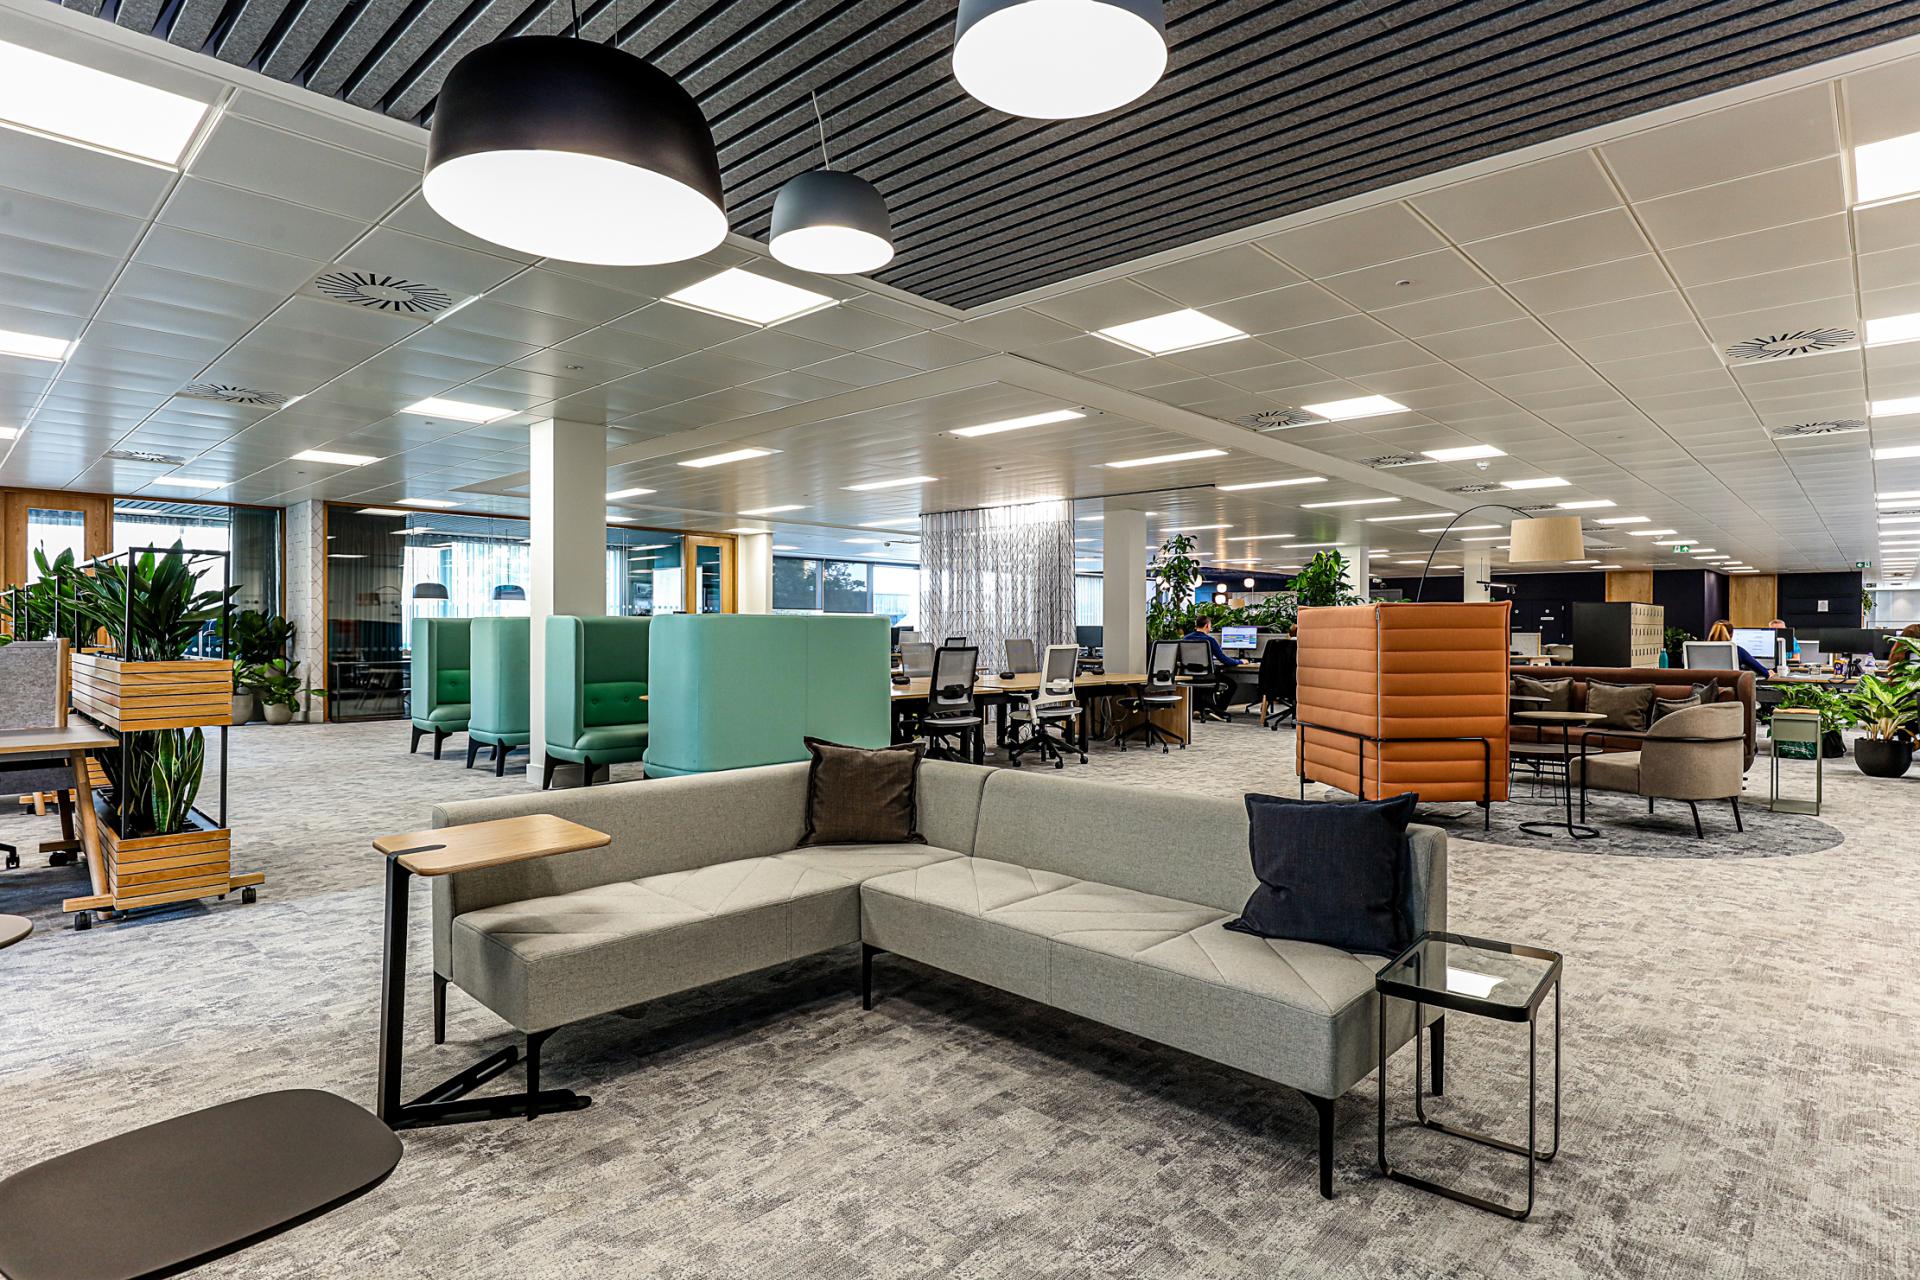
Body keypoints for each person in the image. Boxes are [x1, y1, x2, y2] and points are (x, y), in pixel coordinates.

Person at [1181, 615, 1242, 716]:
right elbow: (1224, 660)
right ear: (1207, 626)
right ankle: (1219, 709)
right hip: (1207, 676)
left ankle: (1198, 708)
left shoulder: (1185, 639)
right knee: (1232, 684)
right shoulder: (1210, 640)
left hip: (1189, 676)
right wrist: (1239, 662)